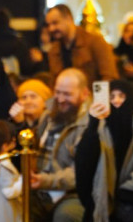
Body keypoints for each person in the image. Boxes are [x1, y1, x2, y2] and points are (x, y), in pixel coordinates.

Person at [75, 80, 133, 221]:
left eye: (121, 96)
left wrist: (128, 188)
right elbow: (84, 163)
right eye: (111, 97)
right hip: (106, 196)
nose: (116, 101)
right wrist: (93, 124)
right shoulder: (100, 124)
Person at [30, 68, 91, 222]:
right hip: (40, 187)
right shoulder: (48, 115)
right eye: (58, 92)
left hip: (73, 192)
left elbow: (81, 172)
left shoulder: (90, 124)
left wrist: (46, 181)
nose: (61, 99)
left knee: (66, 216)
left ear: (84, 94)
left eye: (67, 94)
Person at [45, 4, 118, 83]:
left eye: (55, 23)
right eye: (48, 25)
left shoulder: (95, 42)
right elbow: (54, 82)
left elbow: (109, 77)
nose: (51, 29)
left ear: (69, 19)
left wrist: (96, 95)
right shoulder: (54, 50)